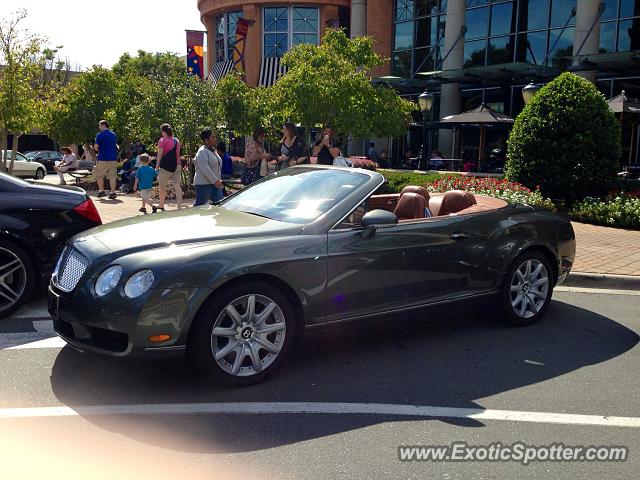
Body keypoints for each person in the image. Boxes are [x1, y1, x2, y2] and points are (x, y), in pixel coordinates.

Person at [155, 123, 183, 211]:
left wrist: (157, 166)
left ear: (163, 131)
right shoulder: (176, 140)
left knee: (162, 186)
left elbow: (159, 154)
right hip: (177, 165)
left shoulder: (162, 140)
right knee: (177, 186)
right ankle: (179, 207)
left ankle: (161, 204)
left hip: (166, 167)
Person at [193, 129, 224, 206]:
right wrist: (216, 181)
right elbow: (205, 169)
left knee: (220, 205)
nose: (215, 139)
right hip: (204, 185)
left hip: (215, 184)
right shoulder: (202, 152)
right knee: (199, 207)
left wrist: (217, 180)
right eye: (213, 137)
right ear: (206, 140)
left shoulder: (213, 151)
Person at [94, 120, 119, 199]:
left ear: (103, 125)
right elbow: (116, 146)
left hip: (102, 159)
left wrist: (99, 150)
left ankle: (101, 191)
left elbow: (96, 147)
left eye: (99, 125)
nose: (99, 127)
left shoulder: (99, 135)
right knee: (112, 177)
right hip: (113, 159)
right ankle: (113, 192)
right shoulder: (113, 134)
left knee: (99, 176)